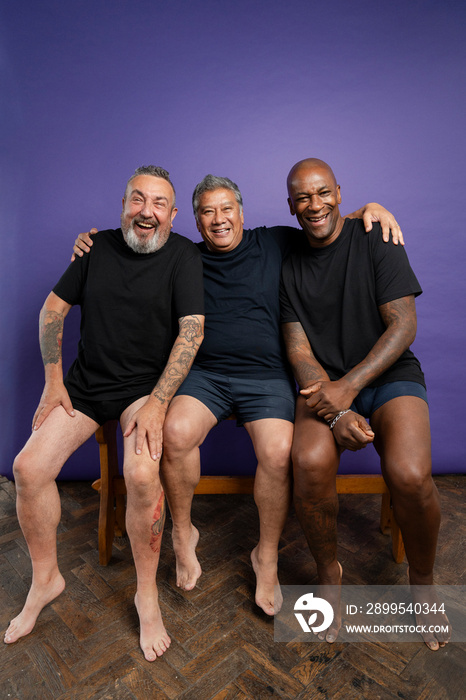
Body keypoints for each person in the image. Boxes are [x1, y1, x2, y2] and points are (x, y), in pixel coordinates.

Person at [72, 173, 403, 618]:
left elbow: (327, 221)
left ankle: (265, 555)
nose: (218, 219)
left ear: (242, 213)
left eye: (227, 208)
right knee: (175, 431)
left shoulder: (276, 242)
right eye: (207, 211)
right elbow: (130, 243)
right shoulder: (182, 255)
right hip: (205, 375)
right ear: (193, 220)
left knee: (279, 449)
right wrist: (90, 242)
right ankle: (183, 532)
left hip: (266, 376)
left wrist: (371, 209)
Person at [3, 166, 205, 661]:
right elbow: (53, 310)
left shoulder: (183, 255)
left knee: (140, 474)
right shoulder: (95, 249)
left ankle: (146, 594)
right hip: (87, 387)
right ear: (123, 205)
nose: (147, 211)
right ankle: (47, 578)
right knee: (28, 468)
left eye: (159, 203)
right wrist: (53, 381)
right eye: (138, 199)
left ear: (172, 215)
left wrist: (158, 402)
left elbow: (192, 331)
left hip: (144, 391)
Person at [280, 157, 450, 650]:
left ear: (339, 192)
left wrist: (350, 389)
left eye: (323, 193)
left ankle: (423, 583)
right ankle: (329, 577)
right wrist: (335, 409)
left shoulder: (375, 236)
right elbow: (297, 350)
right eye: (303, 198)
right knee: (308, 462)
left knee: (411, 476)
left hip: (386, 375)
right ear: (291, 206)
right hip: (325, 387)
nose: (315, 205)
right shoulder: (287, 265)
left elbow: (403, 325)